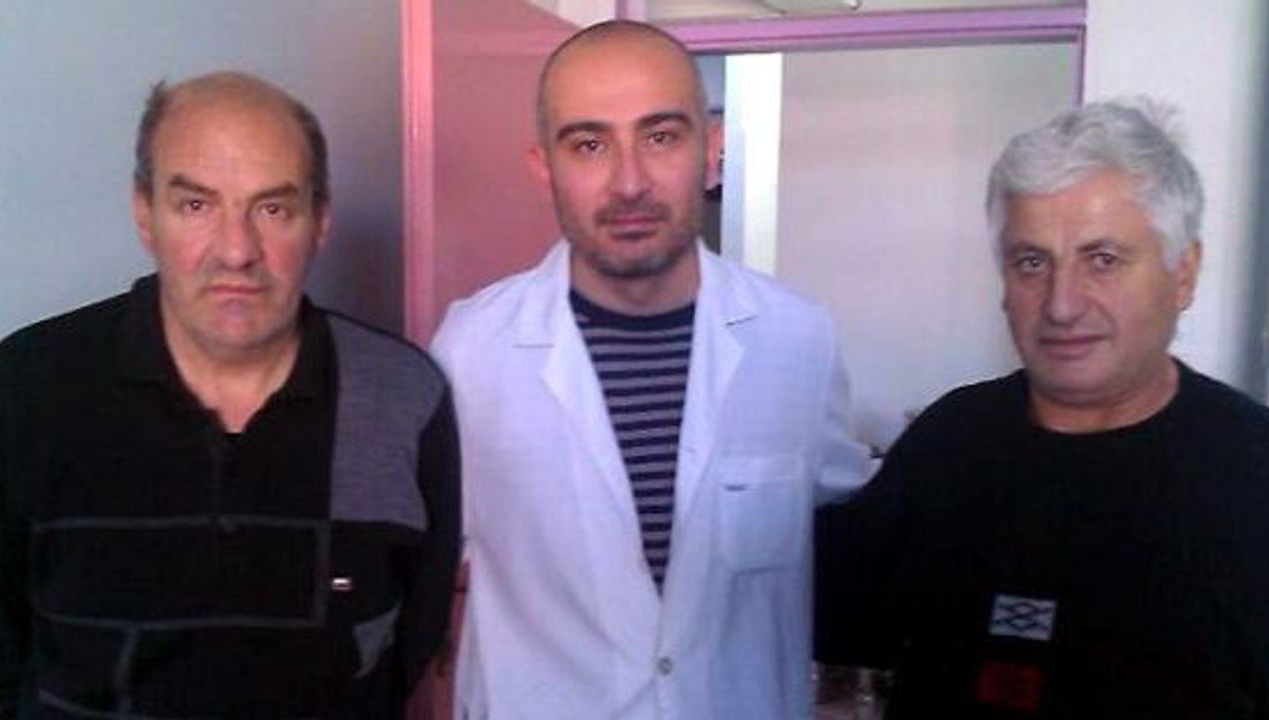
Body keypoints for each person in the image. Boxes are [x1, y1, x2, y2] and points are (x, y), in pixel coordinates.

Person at [431, 20, 873, 720]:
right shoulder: (471, 350)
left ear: (712, 150)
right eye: (589, 145)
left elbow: (848, 520)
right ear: (543, 167)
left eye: (661, 136)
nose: (629, 182)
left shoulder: (797, 340)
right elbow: (423, 563)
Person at [0, 72, 460, 720]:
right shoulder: (29, 386)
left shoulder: (402, 395)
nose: (237, 251)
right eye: (196, 205)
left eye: (273, 209)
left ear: (320, 221)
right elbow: (0, 646)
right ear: (144, 213)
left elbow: (410, 641)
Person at [815, 99, 1269, 717]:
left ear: (1183, 273)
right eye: (1032, 262)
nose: (1060, 305)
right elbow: (833, 615)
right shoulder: (952, 442)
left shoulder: (1251, 472)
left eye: (1102, 260)